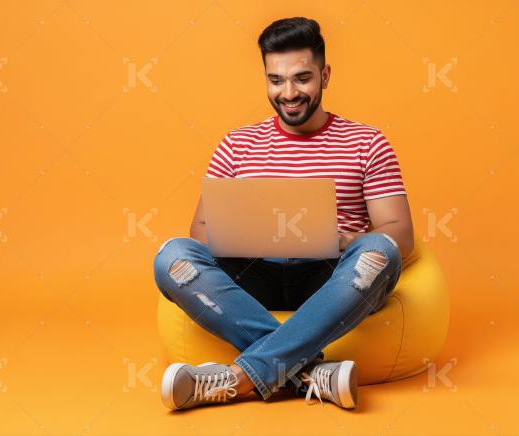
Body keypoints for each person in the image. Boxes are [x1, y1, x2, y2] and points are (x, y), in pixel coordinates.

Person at [153, 16, 414, 411]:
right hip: (252, 275)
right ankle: (309, 372)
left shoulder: (366, 142)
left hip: (330, 279)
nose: (289, 92)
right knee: (171, 256)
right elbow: (199, 231)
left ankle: (236, 380)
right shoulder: (237, 144)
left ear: (325, 75)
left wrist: (340, 240)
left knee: (382, 250)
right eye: (276, 80)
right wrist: (250, 235)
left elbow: (401, 235)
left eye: (302, 78)